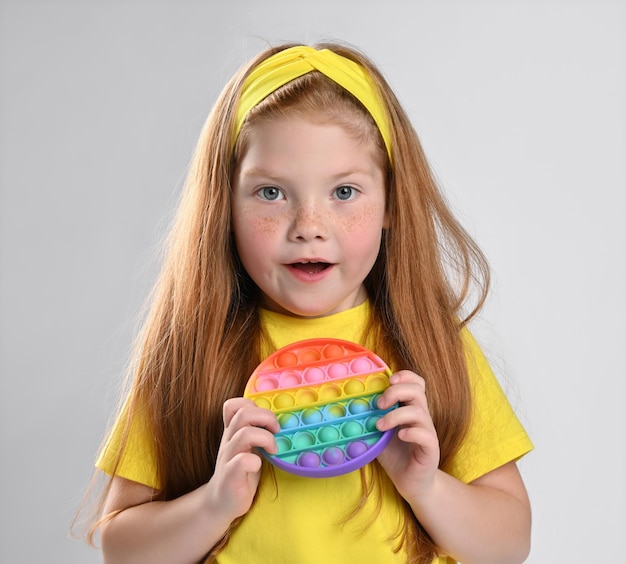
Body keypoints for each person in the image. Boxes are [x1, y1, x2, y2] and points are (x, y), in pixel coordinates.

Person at [85, 43, 533, 563]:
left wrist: (426, 486)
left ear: (391, 202)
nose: (309, 229)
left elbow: (510, 546)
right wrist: (214, 504)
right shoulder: (189, 353)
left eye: (344, 192)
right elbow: (122, 550)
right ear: (223, 206)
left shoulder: (433, 344)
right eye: (272, 193)